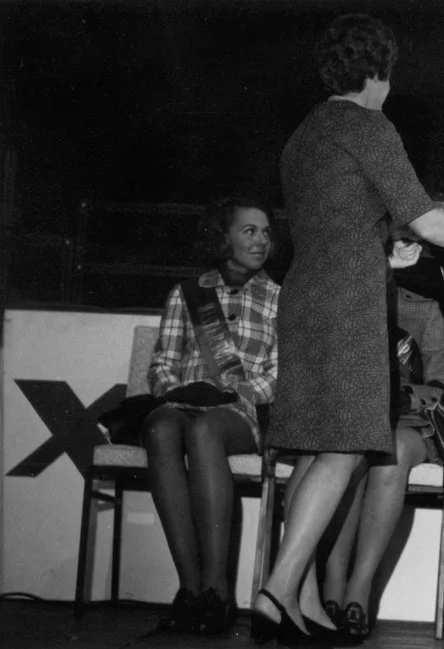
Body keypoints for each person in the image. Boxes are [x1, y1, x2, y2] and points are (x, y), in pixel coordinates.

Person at [251, 13, 444, 642]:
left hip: (306, 295)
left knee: (319, 446)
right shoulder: (368, 124)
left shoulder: (305, 133)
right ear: (376, 71)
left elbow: (348, 215)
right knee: (346, 446)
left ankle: (304, 603)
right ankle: (275, 590)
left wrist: (384, 238)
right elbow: (429, 222)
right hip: (349, 301)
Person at [286, 233, 444, 643]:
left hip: (409, 427)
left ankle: (359, 590)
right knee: (355, 448)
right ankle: (332, 581)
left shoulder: (423, 310)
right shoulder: (339, 304)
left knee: (391, 450)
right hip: (354, 423)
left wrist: (404, 397)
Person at [144, 195, 279, 635]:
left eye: (265, 232)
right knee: (161, 427)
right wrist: (176, 390)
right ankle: (190, 589)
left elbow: (280, 374)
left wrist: (234, 391)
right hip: (183, 405)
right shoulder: (189, 293)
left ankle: (218, 589)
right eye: (249, 230)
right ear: (223, 238)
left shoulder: (280, 299)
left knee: (205, 429)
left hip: (237, 414)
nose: (260, 240)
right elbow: (162, 362)